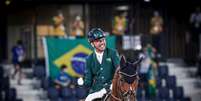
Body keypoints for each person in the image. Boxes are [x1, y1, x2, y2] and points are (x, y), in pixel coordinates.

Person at [84, 28, 120, 99]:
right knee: (88, 99)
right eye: (98, 41)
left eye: (103, 40)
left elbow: (119, 71)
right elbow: (88, 81)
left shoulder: (113, 53)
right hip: (96, 90)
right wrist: (84, 80)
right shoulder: (89, 59)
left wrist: (111, 85)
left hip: (112, 87)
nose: (102, 43)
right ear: (92, 44)